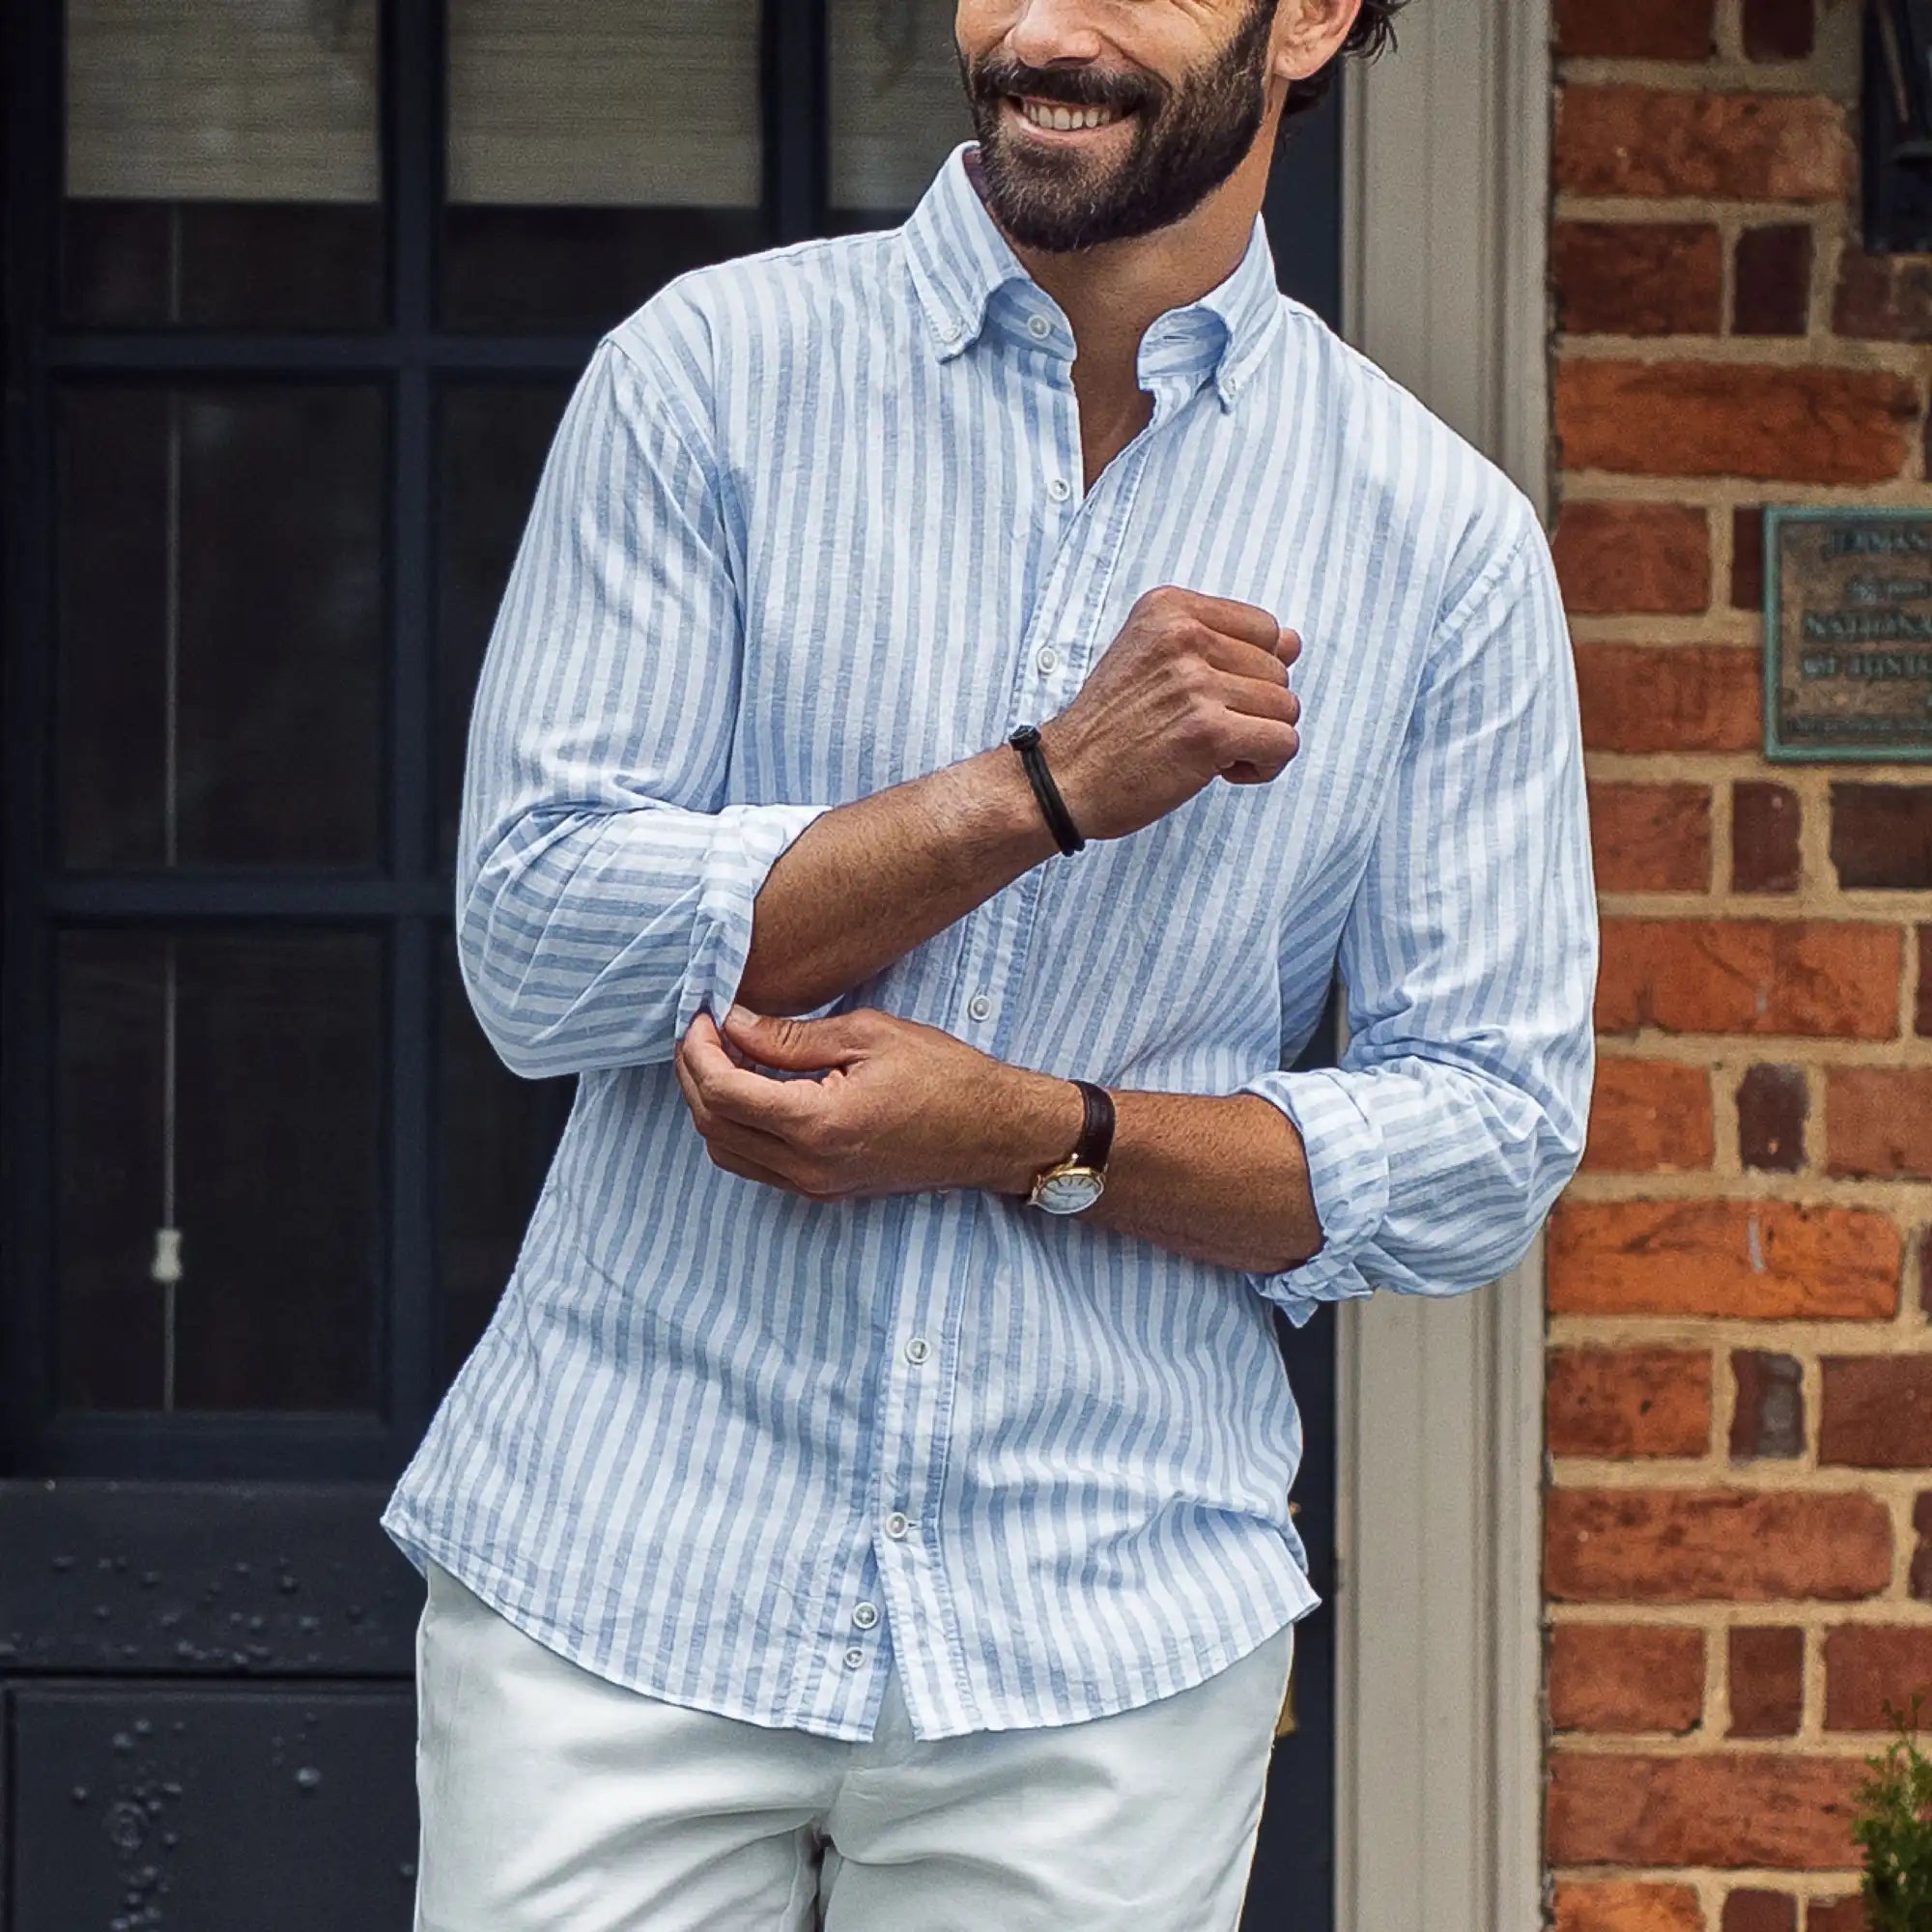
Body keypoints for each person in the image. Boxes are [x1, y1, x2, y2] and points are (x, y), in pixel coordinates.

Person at [384, 0, 1598, 1923]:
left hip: (1100, 1648)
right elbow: (538, 940)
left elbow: (1483, 1140)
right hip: (618, 1572)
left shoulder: (1437, 547)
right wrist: (1039, 788)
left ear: (1311, 21)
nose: (1037, 26)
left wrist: (1030, 1132)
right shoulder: (704, 379)